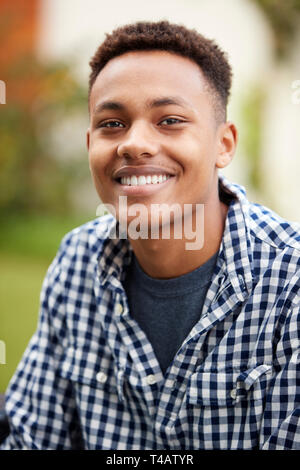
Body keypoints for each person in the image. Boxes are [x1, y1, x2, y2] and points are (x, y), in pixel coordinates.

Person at [1, 20, 300, 450]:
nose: (134, 144)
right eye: (112, 124)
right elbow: (32, 437)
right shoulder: (78, 261)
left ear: (224, 144)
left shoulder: (289, 284)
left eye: (170, 120)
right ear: (90, 145)